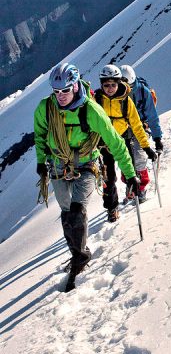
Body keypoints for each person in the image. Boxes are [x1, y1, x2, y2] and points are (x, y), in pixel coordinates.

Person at [34, 62, 140, 290]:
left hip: (86, 164)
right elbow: (40, 135)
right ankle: (77, 253)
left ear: (75, 86)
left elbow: (115, 142)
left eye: (65, 90)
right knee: (66, 214)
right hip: (58, 165)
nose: (60, 96)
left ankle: (80, 258)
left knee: (76, 210)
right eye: (56, 91)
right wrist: (41, 162)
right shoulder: (46, 108)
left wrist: (130, 174)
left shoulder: (91, 111)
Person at [95, 64, 157, 206]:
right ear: (101, 85)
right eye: (106, 85)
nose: (110, 88)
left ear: (119, 83)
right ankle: (112, 207)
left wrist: (146, 147)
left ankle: (137, 191)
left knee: (131, 168)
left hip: (123, 140)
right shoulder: (97, 100)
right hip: (103, 143)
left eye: (113, 84)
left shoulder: (126, 101)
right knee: (109, 177)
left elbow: (137, 125)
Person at [119, 65, 163, 154]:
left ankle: (140, 168)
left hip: (141, 126)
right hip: (123, 128)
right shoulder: (116, 92)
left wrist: (157, 138)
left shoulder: (143, 92)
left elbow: (152, 116)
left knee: (139, 155)